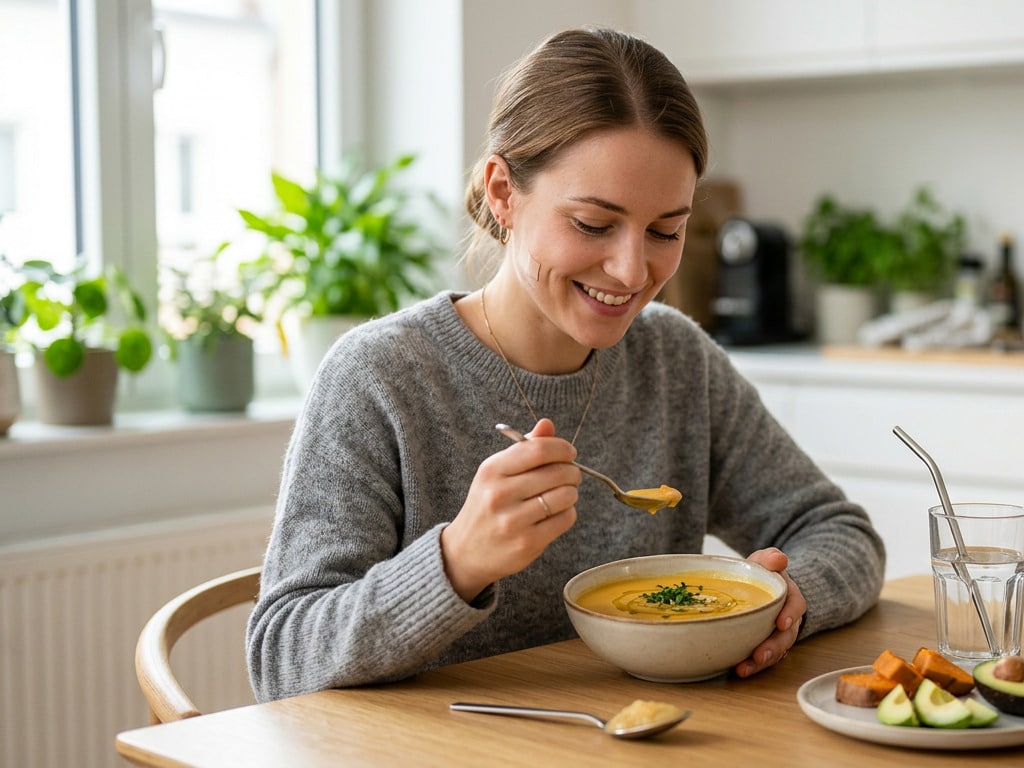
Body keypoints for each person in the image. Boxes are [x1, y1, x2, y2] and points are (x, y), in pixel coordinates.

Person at [247, 26, 885, 703]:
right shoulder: (381, 376)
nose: (632, 270)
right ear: (502, 192)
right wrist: (457, 561)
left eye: (666, 230)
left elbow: (840, 534)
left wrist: (789, 599)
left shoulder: (675, 359)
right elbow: (282, 657)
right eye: (592, 224)